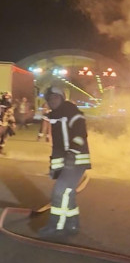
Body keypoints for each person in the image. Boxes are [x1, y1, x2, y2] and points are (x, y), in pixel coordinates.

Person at [38, 86, 91, 236]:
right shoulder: (55, 116)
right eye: (49, 99)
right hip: (65, 161)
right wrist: (55, 167)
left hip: (75, 161)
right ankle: (73, 224)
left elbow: (81, 134)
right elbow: (59, 144)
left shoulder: (72, 113)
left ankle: (56, 226)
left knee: (60, 192)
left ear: (62, 98)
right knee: (68, 193)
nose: (52, 101)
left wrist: (72, 153)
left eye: (55, 97)